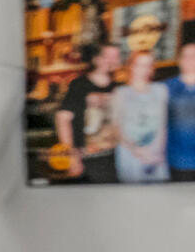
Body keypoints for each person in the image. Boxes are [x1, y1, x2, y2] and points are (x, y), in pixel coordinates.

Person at [53, 42, 126, 183]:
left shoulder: (118, 88)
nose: (112, 60)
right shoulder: (80, 85)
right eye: (108, 56)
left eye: (116, 56)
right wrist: (72, 157)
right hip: (86, 160)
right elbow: (62, 119)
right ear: (96, 59)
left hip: (112, 157)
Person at [113, 48, 171, 181]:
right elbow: (116, 129)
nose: (144, 69)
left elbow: (163, 124)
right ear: (131, 66)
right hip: (130, 154)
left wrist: (156, 152)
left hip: (155, 155)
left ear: (152, 68)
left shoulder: (161, 90)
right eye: (139, 65)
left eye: (148, 65)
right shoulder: (120, 93)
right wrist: (138, 151)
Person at [169, 39, 195, 178]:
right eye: (186, 55)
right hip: (177, 161)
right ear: (179, 60)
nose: (191, 59)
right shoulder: (166, 88)